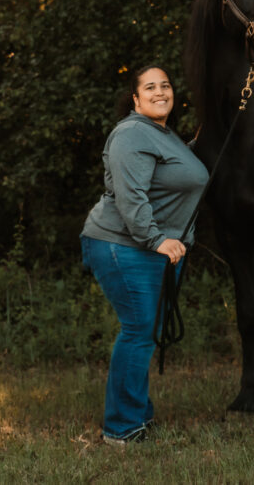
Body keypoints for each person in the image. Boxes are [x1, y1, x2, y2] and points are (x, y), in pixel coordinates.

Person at [80, 65, 208, 445]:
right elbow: (130, 196)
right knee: (138, 332)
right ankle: (121, 429)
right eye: (149, 87)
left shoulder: (164, 135)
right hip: (123, 245)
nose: (159, 91)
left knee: (145, 332)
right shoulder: (132, 133)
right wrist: (156, 240)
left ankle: (136, 414)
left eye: (165, 85)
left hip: (151, 250)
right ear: (135, 99)